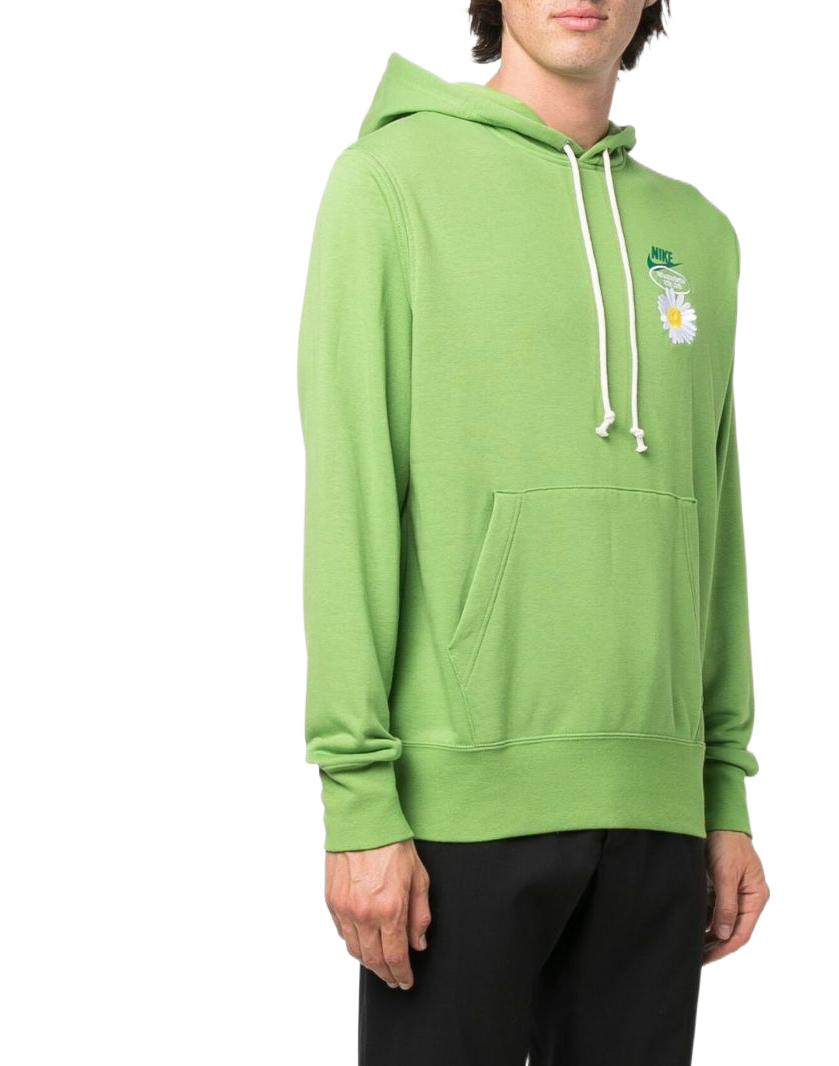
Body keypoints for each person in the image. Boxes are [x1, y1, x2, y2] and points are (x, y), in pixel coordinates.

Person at [297, 2, 769, 1062]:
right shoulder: (390, 186)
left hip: (657, 812)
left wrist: (720, 790)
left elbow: (715, 521)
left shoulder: (697, 235)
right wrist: (358, 799)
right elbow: (351, 502)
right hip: (455, 812)